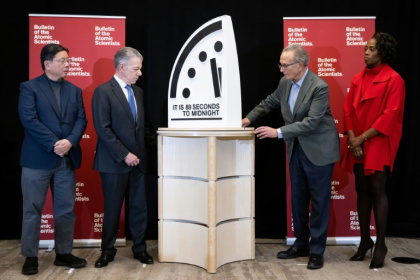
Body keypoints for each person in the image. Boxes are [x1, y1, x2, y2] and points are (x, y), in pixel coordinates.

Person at [242, 43, 340, 269]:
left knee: (318, 203)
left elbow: (312, 123)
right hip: (296, 148)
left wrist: (278, 133)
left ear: (301, 65)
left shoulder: (319, 86)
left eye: (285, 65)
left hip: (319, 151)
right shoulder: (284, 83)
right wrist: (247, 119)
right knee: (298, 200)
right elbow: (269, 102)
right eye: (280, 64)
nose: (281, 69)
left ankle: (317, 251)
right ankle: (301, 244)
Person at [18, 44, 88, 275]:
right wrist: (55, 143)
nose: (68, 64)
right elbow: (29, 119)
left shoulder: (75, 90)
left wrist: (69, 142)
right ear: (47, 63)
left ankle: (63, 253)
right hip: (36, 160)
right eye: (63, 60)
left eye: (69, 60)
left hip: (66, 161)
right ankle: (30, 255)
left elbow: (81, 120)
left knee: (66, 210)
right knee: (32, 210)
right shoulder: (29, 87)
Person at [339, 32, 405, 269]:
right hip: (358, 140)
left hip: (379, 140)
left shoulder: (394, 80)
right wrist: (353, 138)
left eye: (372, 48)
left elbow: (390, 115)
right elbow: (348, 110)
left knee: (378, 189)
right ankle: (365, 240)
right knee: (361, 190)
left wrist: (362, 139)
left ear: (383, 52)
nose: (366, 52)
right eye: (365, 48)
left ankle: (381, 245)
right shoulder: (358, 78)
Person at [92, 47, 155, 268]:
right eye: (136, 69)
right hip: (114, 162)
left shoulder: (138, 92)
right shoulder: (103, 91)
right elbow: (103, 129)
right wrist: (124, 154)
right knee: (112, 208)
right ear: (122, 67)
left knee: (139, 208)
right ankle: (107, 251)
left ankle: (140, 248)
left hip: (138, 163)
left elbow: (142, 127)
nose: (139, 73)